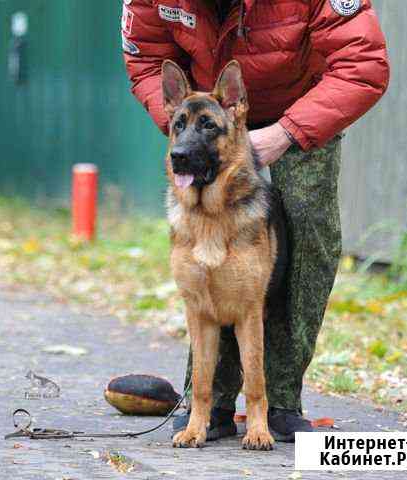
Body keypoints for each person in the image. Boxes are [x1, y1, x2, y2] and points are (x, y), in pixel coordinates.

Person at [122, 0, 389, 442]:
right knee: (209, 259)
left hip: (303, 105)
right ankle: (211, 404)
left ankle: (281, 401)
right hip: (210, 114)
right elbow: (145, 58)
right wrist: (185, 120)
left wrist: (287, 133)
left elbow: (363, 63)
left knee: (308, 229)